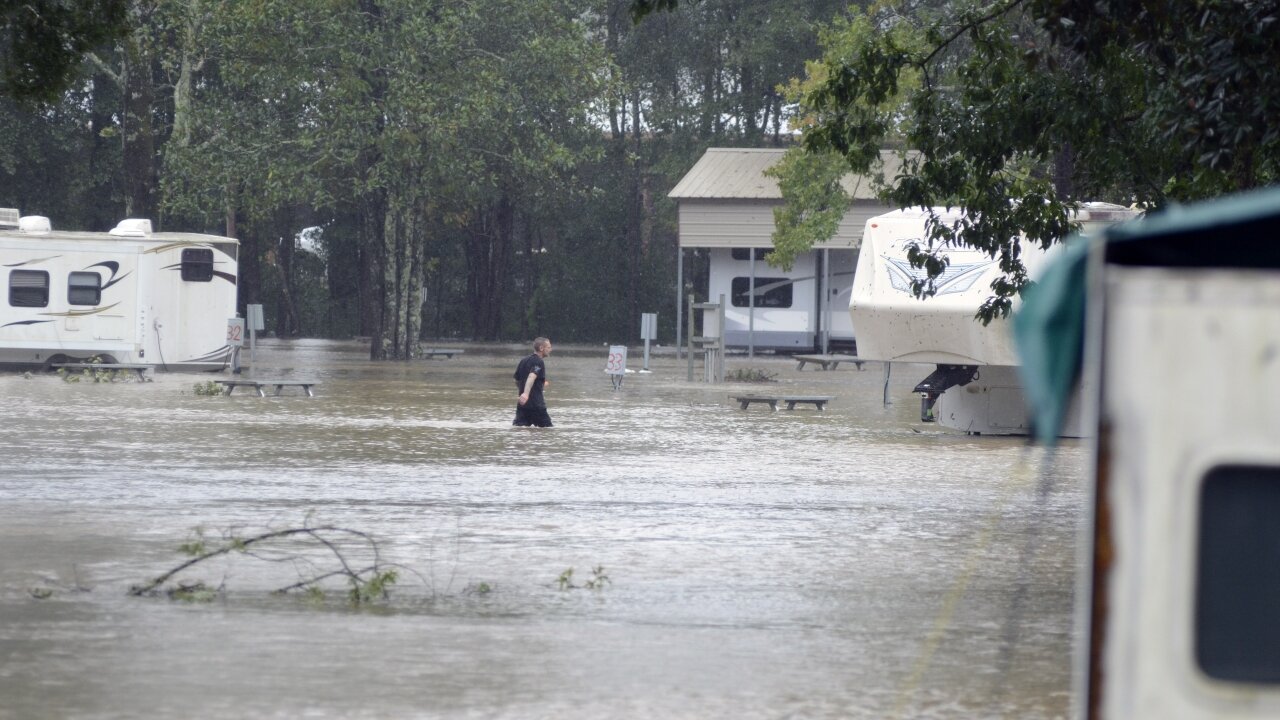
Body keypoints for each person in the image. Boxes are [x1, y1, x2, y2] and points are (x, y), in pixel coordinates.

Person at [513, 337, 553, 427]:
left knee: (519, 430)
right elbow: (532, 376)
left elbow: (516, 379)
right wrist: (526, 394)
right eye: (549, 347)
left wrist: (522, 393)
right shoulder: (539, 362)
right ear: (541, 348)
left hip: (523, 406)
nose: (551, 350)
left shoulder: (523, 360)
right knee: (547, 431)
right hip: (536, 406)